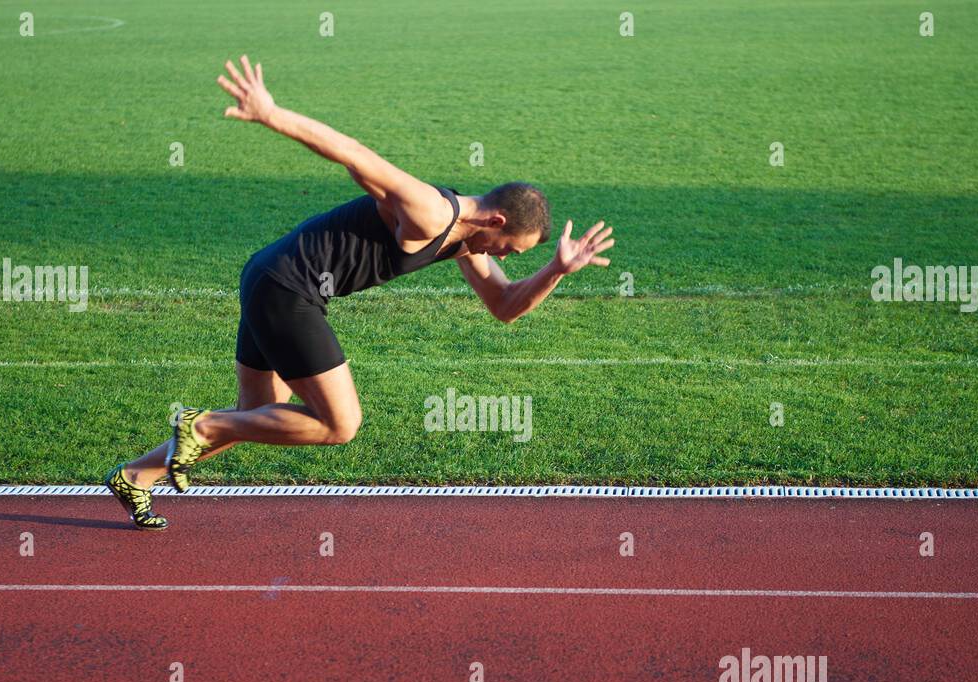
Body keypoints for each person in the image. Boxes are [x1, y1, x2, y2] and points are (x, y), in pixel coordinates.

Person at [106, 56, 616, 529]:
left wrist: (556, 270)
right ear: (497, 221)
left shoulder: (467, 242)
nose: (505, 256)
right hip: (290, 289)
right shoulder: (430, 210)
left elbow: (504, 307)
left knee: (258, 414)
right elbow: (354, 154)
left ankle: (136, 476)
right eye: (510, 248)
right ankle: (204, 424)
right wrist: (271, 113)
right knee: (338, 424)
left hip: (267, 276)